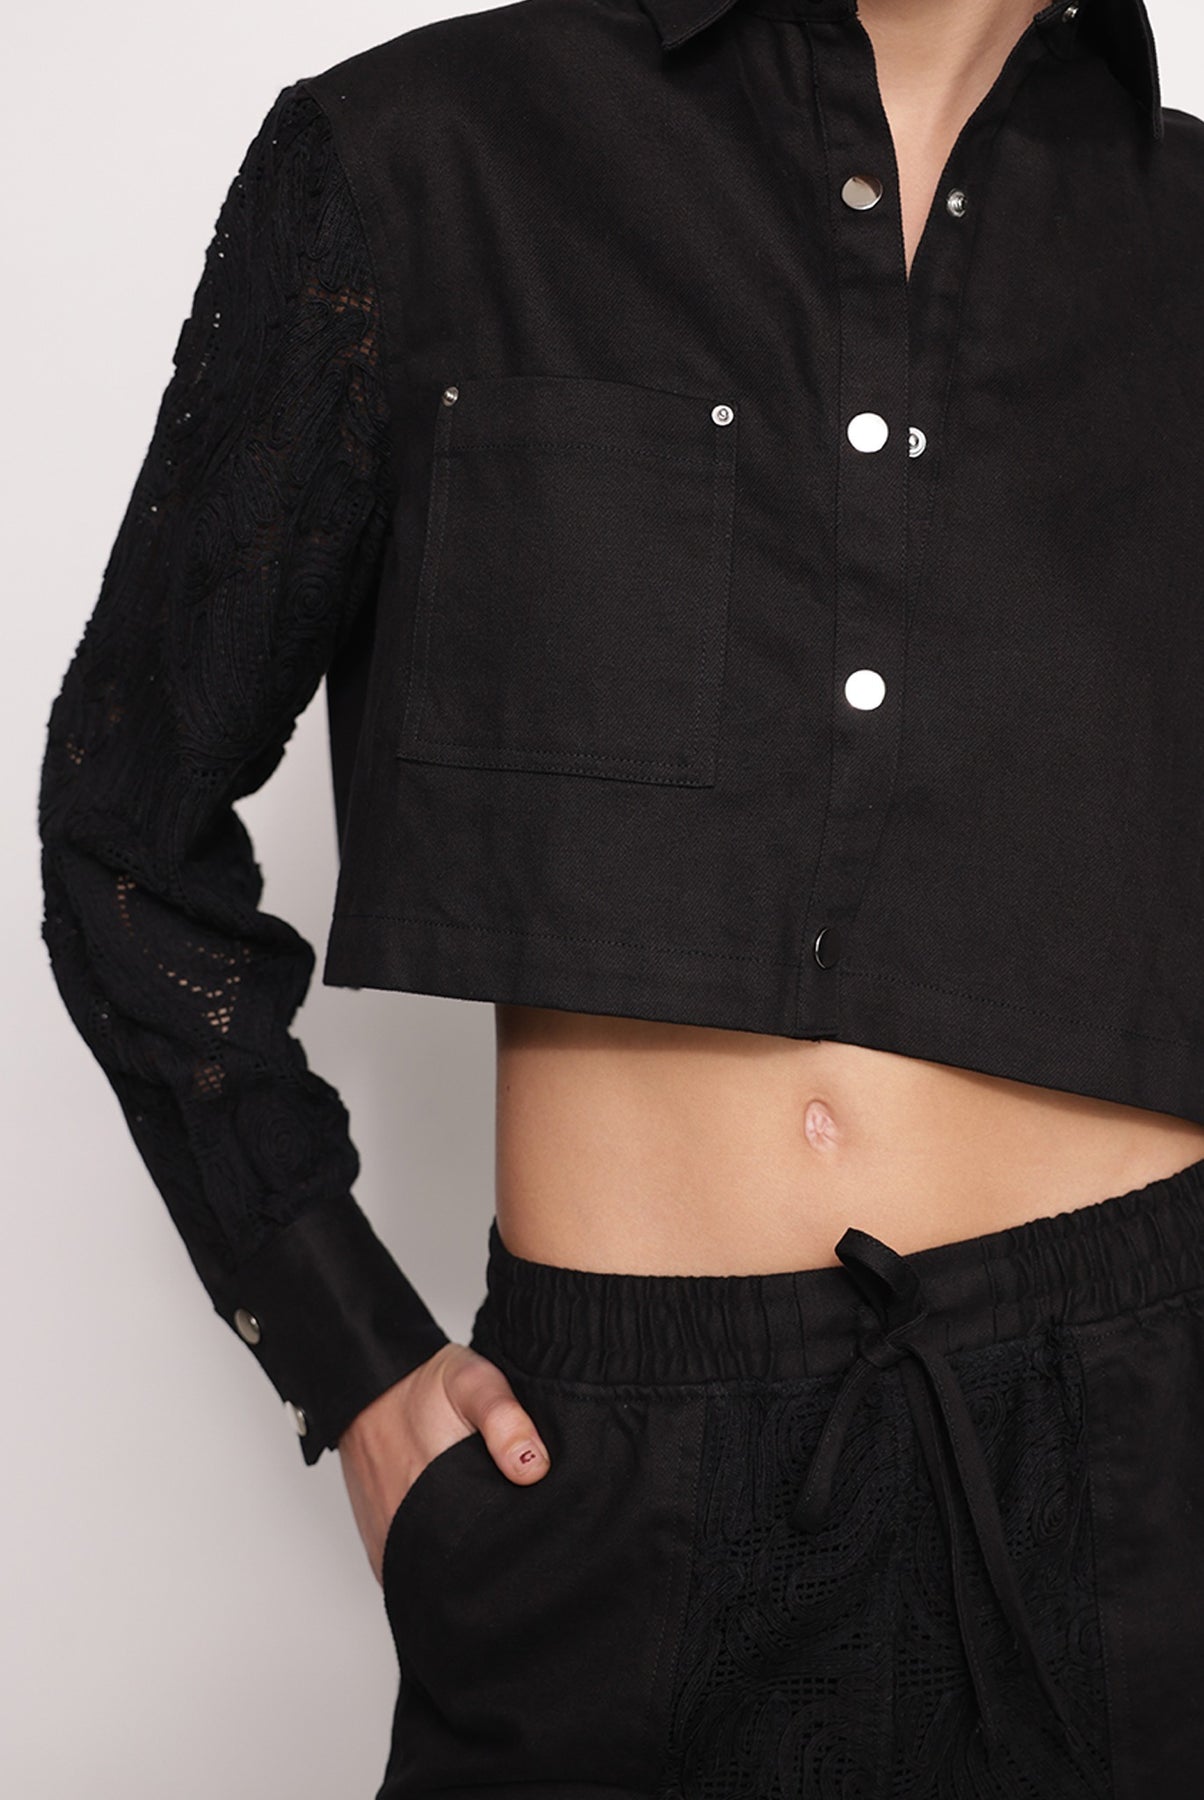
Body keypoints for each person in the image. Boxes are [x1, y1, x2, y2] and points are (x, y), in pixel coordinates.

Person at [38, 0, 1204, 1791]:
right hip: (609, 1492)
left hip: (1146, 1470)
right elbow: (126, 827)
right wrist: (349, 1355)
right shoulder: (426, 164)